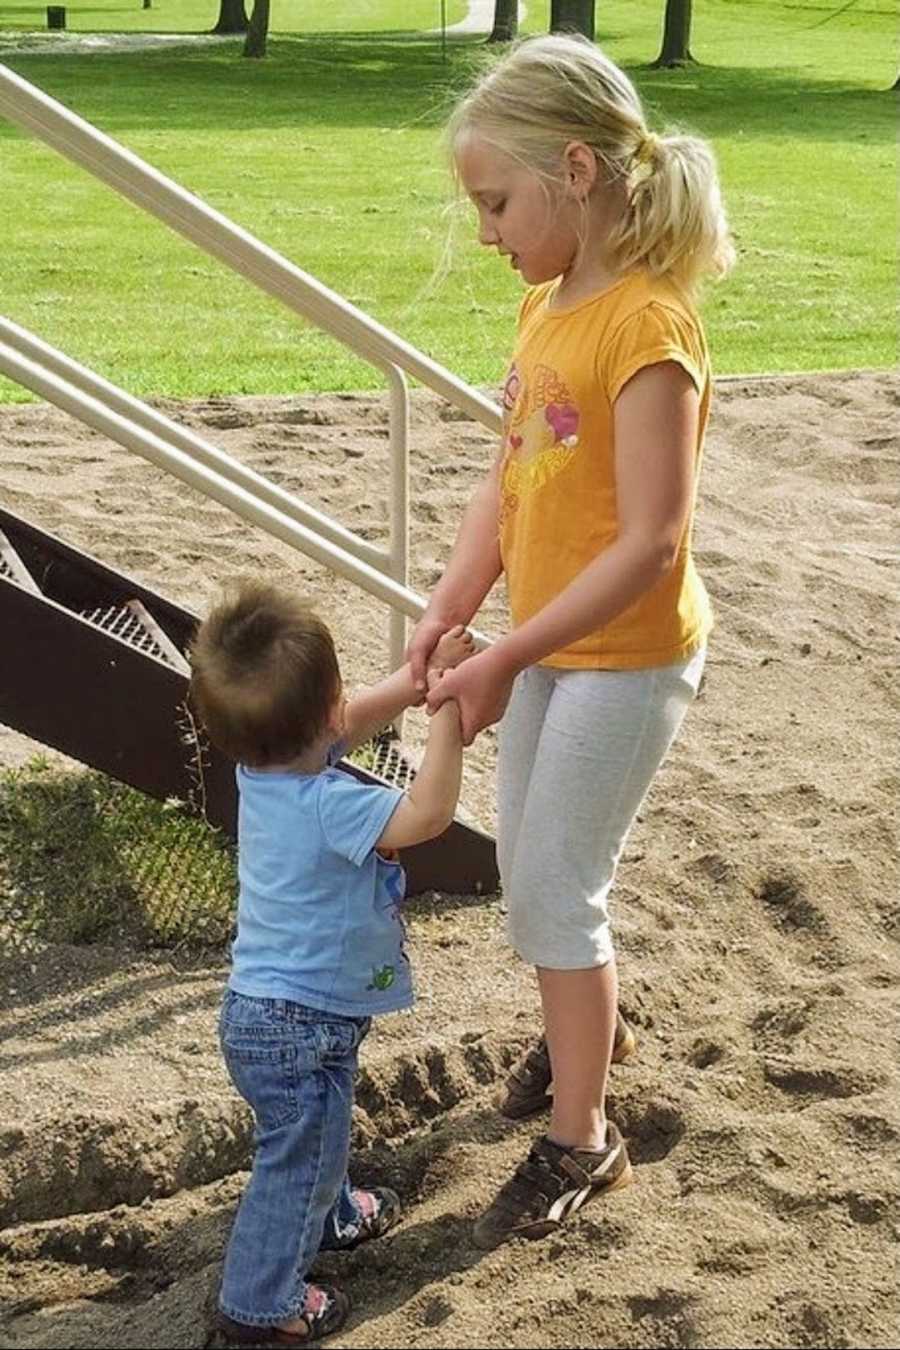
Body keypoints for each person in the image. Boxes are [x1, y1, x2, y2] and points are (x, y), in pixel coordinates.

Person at [408, 33, 734, 1250]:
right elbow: (511, 479)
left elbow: (652, 542)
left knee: (556, 888)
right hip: (551, 648)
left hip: (631, 656)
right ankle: (586, 1036)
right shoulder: (551, 306)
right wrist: (453, 608)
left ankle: (583, 1138)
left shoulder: (648, 330)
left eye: (496, 202)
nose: (487, 230)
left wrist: (500, 657)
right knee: (531, 882)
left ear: (578, 172)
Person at [189, 578, 470, 1346]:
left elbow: (340, 724)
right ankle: (258, 1306)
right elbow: (430, 813)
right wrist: (445, 713)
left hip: (269, 1013)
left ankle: (336, 1212)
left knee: (319, 1135)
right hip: (301, 1024)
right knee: (299, 1152)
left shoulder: (263, 773)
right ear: (327, 712)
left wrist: (413, 685)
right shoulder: (328, 805)